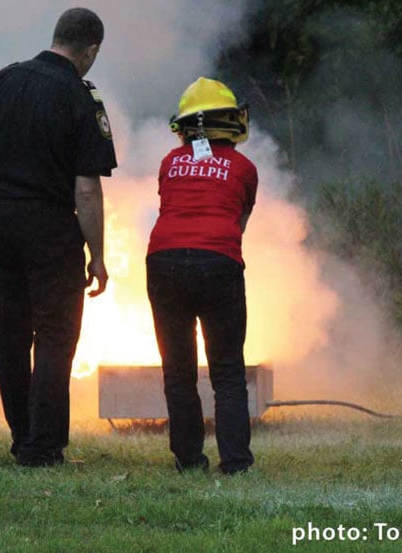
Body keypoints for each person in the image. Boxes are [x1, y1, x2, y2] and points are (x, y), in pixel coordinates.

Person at [0, 8, 117, 467]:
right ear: (89, 50)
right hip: (49, 227)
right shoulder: (80, 96)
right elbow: (86, 189)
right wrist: (98, 255)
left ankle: (20, 436)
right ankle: (43, 446)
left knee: (9, 332)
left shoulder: (3, 81)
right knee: (54, 334)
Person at [146, 77, 257, 474]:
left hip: (163, 261)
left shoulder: (168, 163)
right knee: (227, 370)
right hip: (218, 263)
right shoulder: (244, 167)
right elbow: (238, 222)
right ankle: (236, 463)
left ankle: (188, 459)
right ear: (230, 119)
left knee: (178, 369)